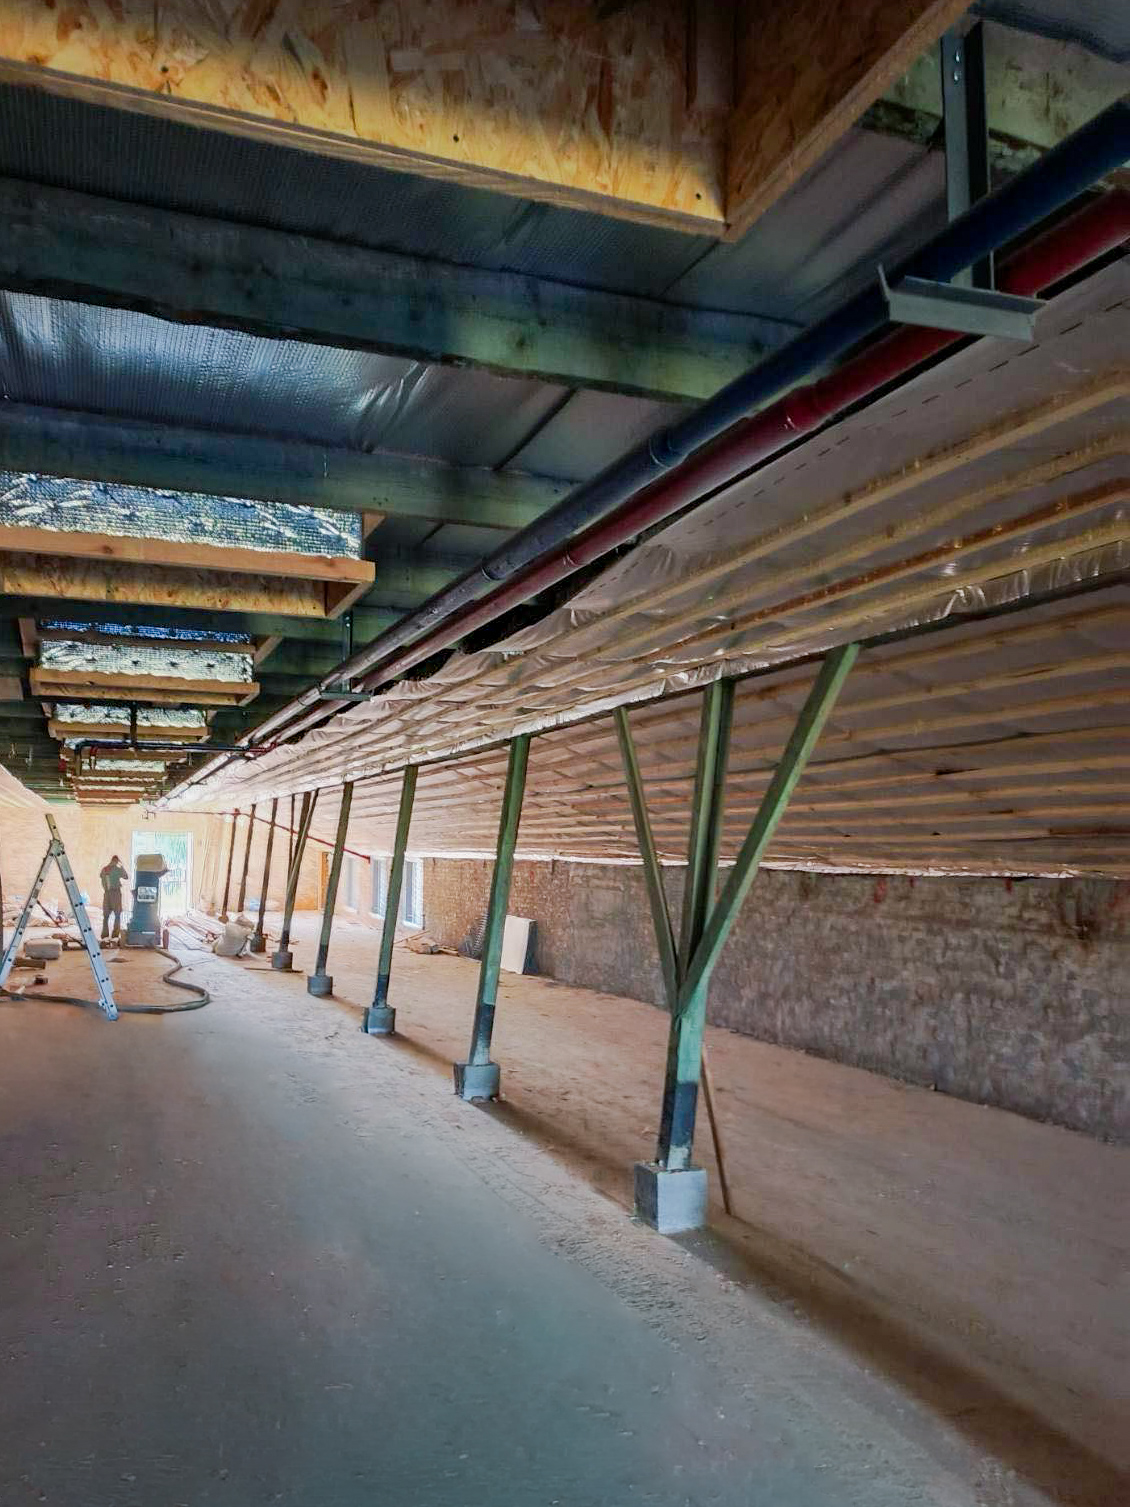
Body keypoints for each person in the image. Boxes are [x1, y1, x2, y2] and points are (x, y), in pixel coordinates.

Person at [99, 854, 128, 942]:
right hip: (115, 893)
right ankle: (115, 935)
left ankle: (105, 935)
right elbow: (126, 876)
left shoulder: (104, 869)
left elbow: (101, 877)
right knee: (117, 915)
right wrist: (121, 866)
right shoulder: (117, 869)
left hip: (107, 894)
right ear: (116, 861)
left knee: (105, 916)